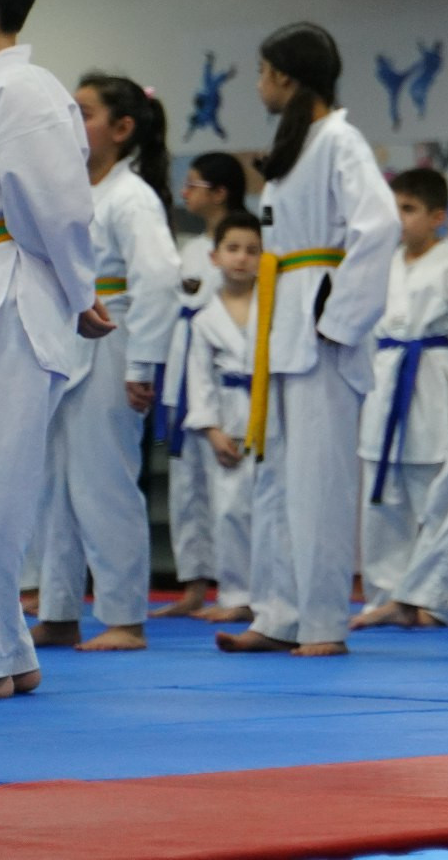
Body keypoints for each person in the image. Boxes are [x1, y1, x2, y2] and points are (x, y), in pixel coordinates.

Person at [0, 0, 109, 700]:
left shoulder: (25, 89)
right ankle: (5, 648)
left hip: (9, 292)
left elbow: (60, 208)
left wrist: (80, 291)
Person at [219, 23, 402, 657]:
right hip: (281, 320)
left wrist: (340, 320)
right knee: (274, 478)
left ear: (286, 78)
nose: (259, 85)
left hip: (318, 324)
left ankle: (322, 622)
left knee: (319, 481)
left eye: (263, 72)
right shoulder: (297, 145)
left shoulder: (339, 140)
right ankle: (278, 613)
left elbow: (378, 227)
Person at [32, 74, 180, 653]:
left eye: (85, 112)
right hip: (63, 343)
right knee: (54, 490)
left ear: (122, 129)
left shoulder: (131, 196)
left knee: (106, 485)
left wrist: (143, 366)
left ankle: (124, 617)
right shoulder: (70, 190)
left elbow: (160, 280)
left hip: (114, 340)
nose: (72, 121)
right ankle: (59, 611)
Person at [350, 169, 448, 629]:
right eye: (394, 209)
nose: (398, 218)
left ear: (438, 217)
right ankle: (385, 596)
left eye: (408, 209)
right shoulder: (381, 265)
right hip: (385, 376)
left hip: (432, 377)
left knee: (436, 498)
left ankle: (440, 600)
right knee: (382, 498)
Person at [153, 151, 246, 621]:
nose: (185, 192)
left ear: (220, 192)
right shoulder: (190, 249)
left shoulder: (245, 244)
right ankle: (193, 586)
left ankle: (238, 589)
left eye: (194, 185)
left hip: (227, 379)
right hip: (182, 372)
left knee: (230, 492)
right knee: (186, 489)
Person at [180, 210, 264, 631]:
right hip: (228, 418)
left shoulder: (275, 309)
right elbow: (199, 380)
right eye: (233, 249)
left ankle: (271, 594)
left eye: (252, 250)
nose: (242, 258)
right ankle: (235, 594)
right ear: (214, 257)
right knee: (229, 509)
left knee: (271, 510)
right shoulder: (203, 319)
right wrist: (211, 430)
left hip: (269, 416)